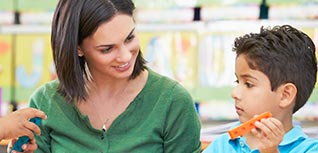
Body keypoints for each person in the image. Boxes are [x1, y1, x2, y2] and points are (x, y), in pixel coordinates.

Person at [28, 0, 201, 152]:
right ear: (77, 48)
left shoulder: (173, 102)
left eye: (129, 38)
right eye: (107, 49)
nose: (125, 56)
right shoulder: (45, 103)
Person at [203, 25, 318, 153]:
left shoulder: (310, 149)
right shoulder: (221, 145)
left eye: (248, 84)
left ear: (285, 95)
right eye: (237, 81)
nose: (234, 93)